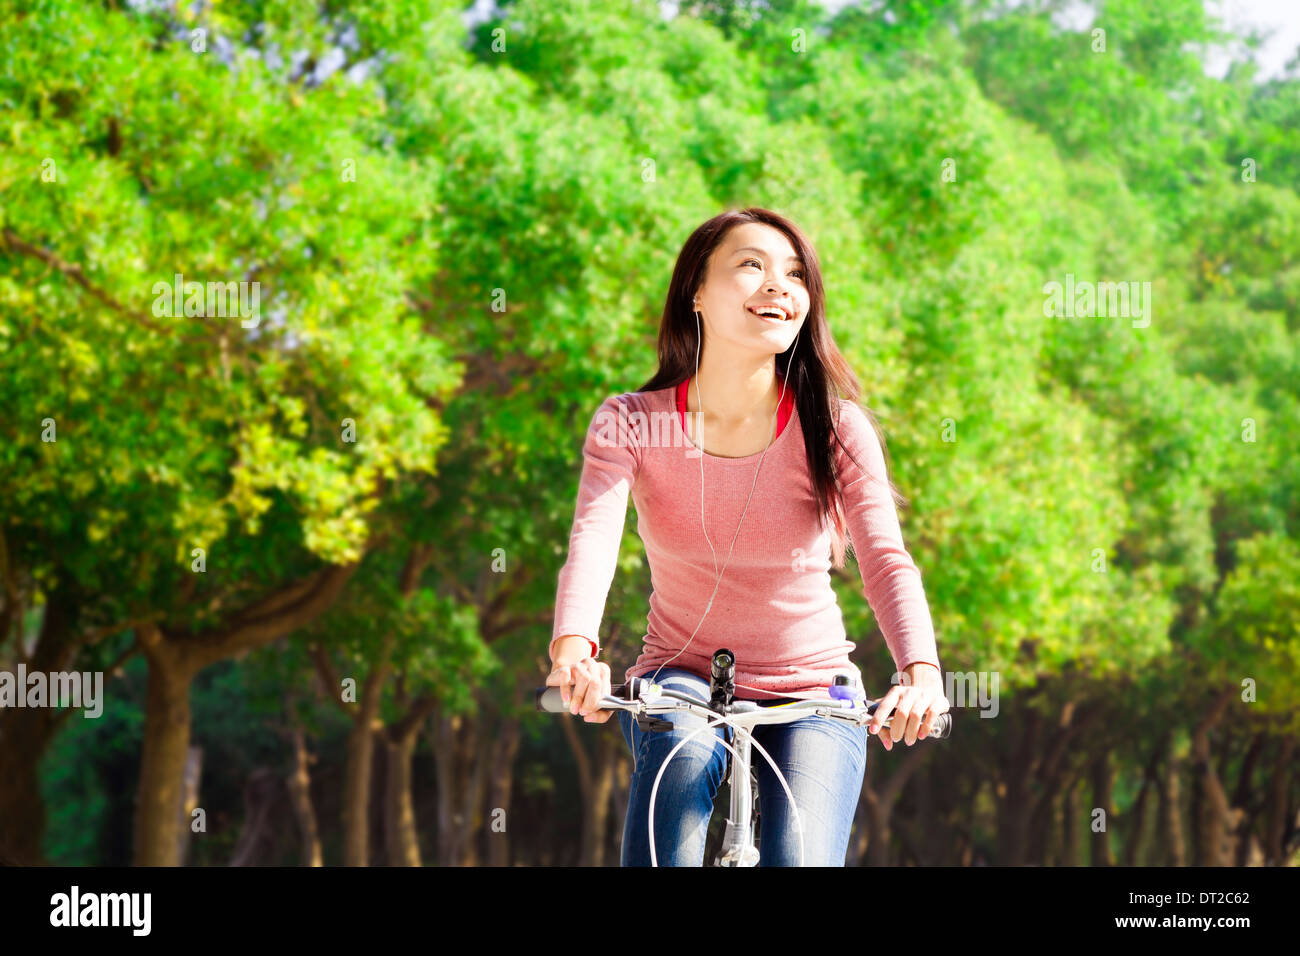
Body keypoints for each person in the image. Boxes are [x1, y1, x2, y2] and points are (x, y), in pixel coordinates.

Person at [546, 207, 948, 866]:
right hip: (678, 678)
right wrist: (572, 653)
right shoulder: (629, 422)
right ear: (696, 293)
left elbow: (884, 559)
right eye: (751, 265)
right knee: (681, 757)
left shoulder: (836, 429)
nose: (780, 286)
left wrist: (921, 674)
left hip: (814, 691)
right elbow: (593, 538)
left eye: (795, 273)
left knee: (800, 853)